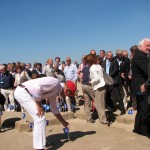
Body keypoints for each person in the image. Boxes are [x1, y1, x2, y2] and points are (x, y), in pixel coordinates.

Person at [14, 76, 76, 150]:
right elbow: (37, 87)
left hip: (27, 94)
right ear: (67, 89)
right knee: (40, 118)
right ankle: (38, 147)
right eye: (68, 94)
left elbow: (54, 109)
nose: (66, 96)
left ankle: (42, 142)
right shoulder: (55, 83)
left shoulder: (55, 91)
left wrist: (63, 122)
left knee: (41, 118)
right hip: (22, 92)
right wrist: (39, 104)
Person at [131, 38, 150, 136]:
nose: (149, 48)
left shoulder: (141, 55)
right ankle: (145, 132)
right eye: (147, 46)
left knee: (141, 109)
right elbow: (148, 72)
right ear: (141, 46)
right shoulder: (140, 56)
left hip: (139, 86)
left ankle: (137, 129)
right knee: (145, 110)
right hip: (142, 87)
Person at [86, 54, 107, 124]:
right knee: (100, 104)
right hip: (102, 86)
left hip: (98, 87)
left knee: (99, 104)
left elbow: (96, 78)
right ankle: (102, 119)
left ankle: (103, 120)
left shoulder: (92, 67)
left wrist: (91, 82)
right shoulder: (99, 66)